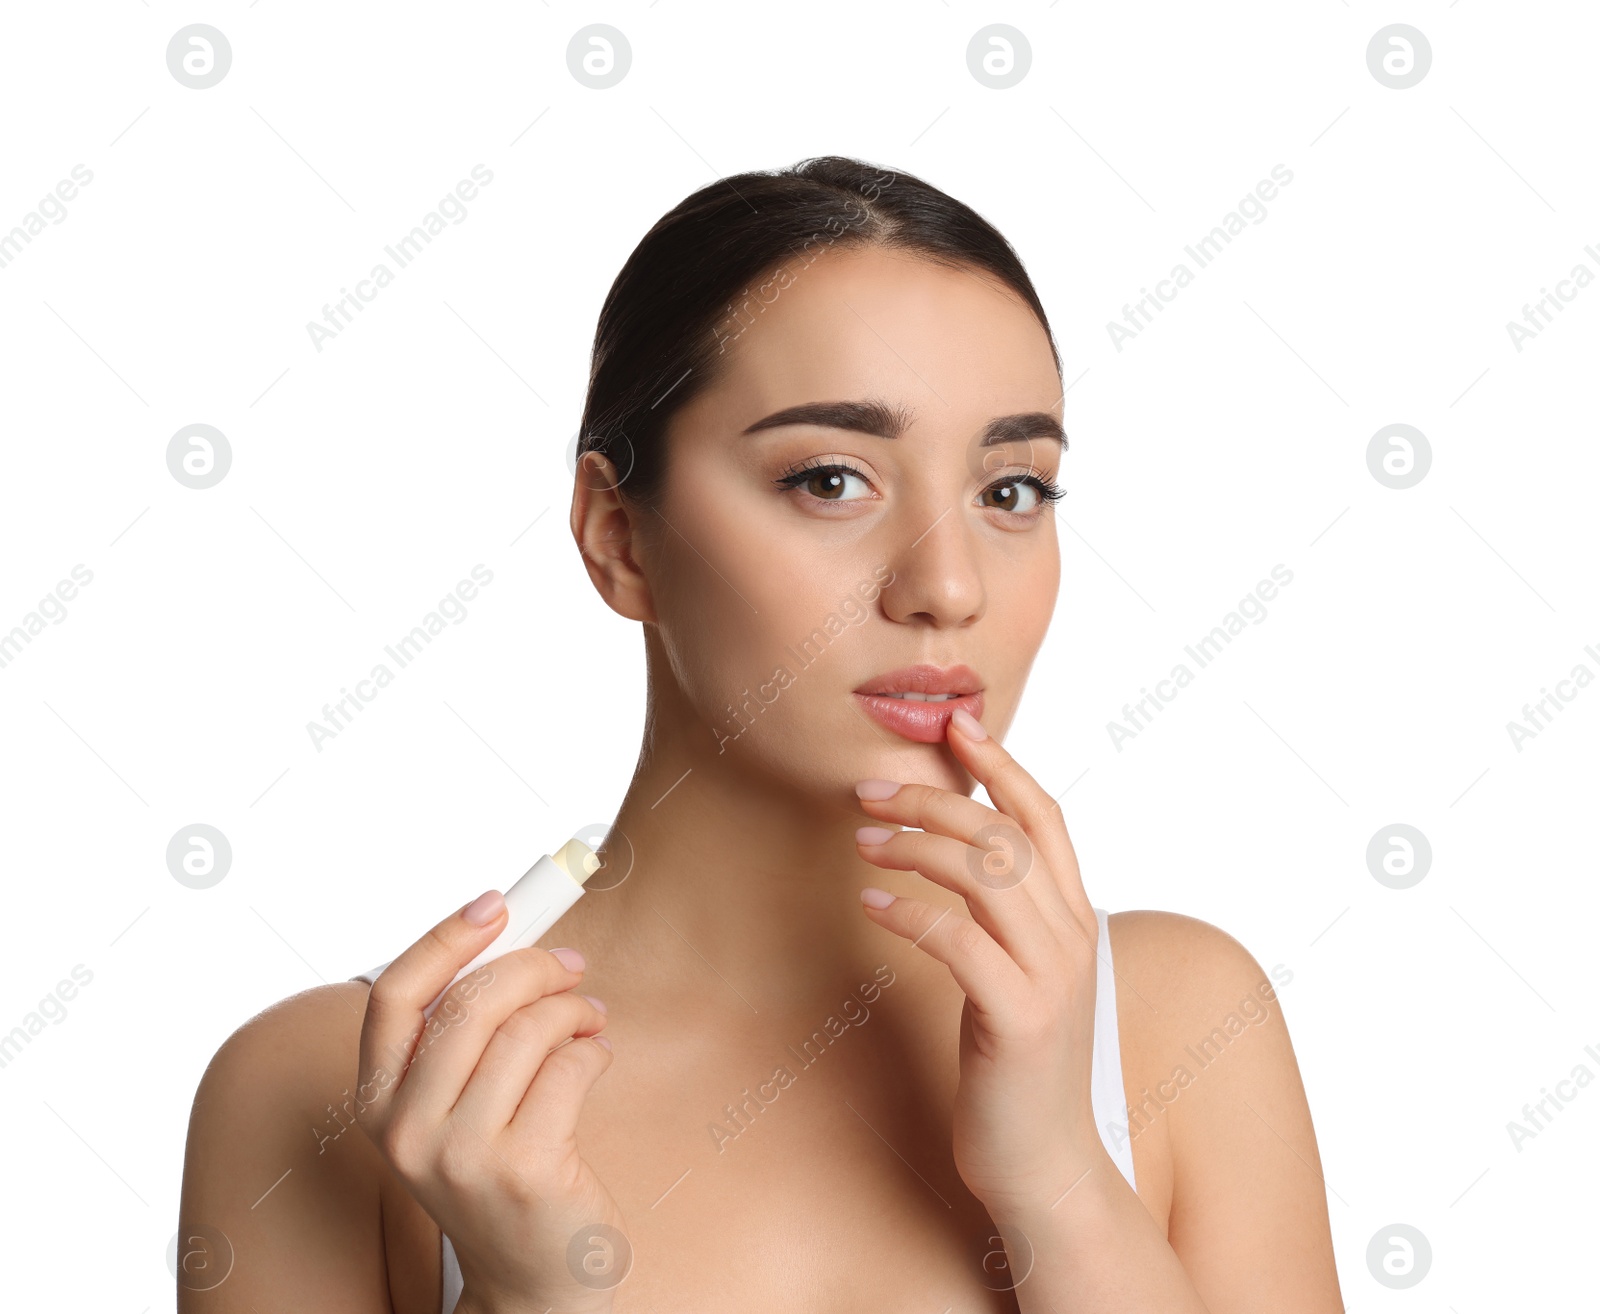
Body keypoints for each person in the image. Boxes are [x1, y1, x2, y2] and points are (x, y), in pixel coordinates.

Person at [179, 155, 1343, 1312]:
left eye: (1009, 491)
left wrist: (1061, 1183)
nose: (947, 587)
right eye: (831, 480)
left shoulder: (1180, 1020)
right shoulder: (329, 1092)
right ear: (618, 537)